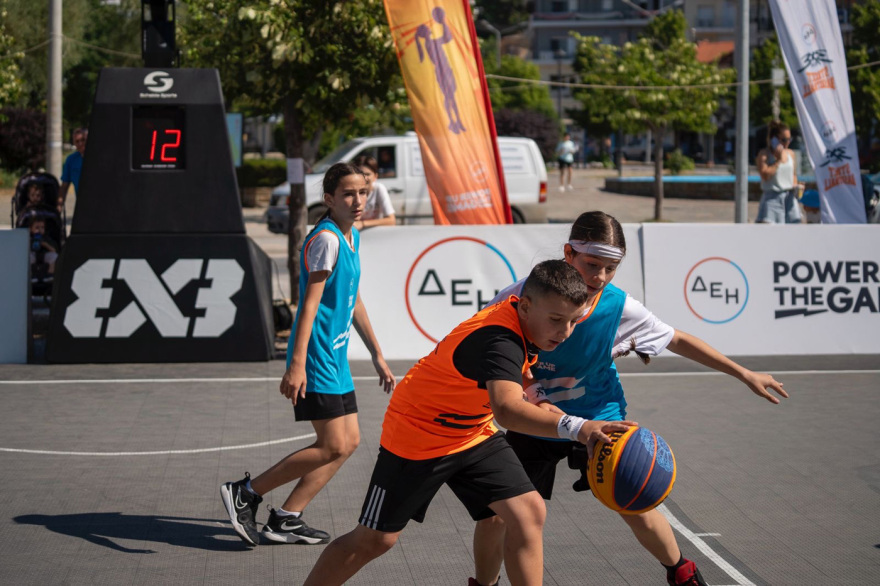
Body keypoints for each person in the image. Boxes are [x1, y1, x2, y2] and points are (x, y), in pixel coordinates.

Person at [471, 211, 790, 586]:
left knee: (635, 500)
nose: (600, 277)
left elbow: (677, 339)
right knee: (497, 515)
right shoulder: (521, 297)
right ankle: (483, 584)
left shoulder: (616, 306)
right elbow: (494, 347)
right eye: (592, 265)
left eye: (611, 268)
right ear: (569, 253)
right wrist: (536, 396)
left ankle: (682, 574)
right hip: (536, 420)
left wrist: (743, 373)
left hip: (601, 416)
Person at [302, 260, 636, 586]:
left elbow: (519, 387)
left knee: (527, 511)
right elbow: (506, 410)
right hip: (418, 434)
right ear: (525, 307)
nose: (565, 332)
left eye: (574, 321)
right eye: (556, 319)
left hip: (472, 432)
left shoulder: (523, 324)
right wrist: (578, 427)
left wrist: (568, 417)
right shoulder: (498, 339)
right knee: (375, 540)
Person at [220, 162, 396, 547]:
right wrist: (296, 364)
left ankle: (286, 517)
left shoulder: (352, 238)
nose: (358, 200)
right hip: (316, 358)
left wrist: (377, 354)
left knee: (347, 442)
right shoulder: (328, 240)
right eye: (348, 194)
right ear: (329, 199)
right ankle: (245, 492)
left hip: (336, 358)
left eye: (363, 192)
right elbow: (308, 305)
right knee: (332, 444)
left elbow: (354, 301)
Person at [755, 121, 804, 224]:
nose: (787, 142)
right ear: (774, 139)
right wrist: (778, 161)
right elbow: (764, 175)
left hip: (789, 198)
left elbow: (793, 175)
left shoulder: (790, 153)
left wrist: (797, 187)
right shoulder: (764, 154)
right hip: (772, 199)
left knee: (794, 231)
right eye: (784, 140)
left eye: (789, 139)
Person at [351, 155, 396, 229]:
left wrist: (362, 224)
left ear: (375, 176)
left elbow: (391, 220)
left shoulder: (379, 189)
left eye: (367, 174)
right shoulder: (349, 191)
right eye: (360, 174)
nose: (364, 178)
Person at [59, 128, 87, 211]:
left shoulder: (98, 157)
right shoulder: (71, 160)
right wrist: (59, 205)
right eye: (77, 141)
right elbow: (64, 186)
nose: (80, 143)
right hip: (82, 205)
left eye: (83, 140)